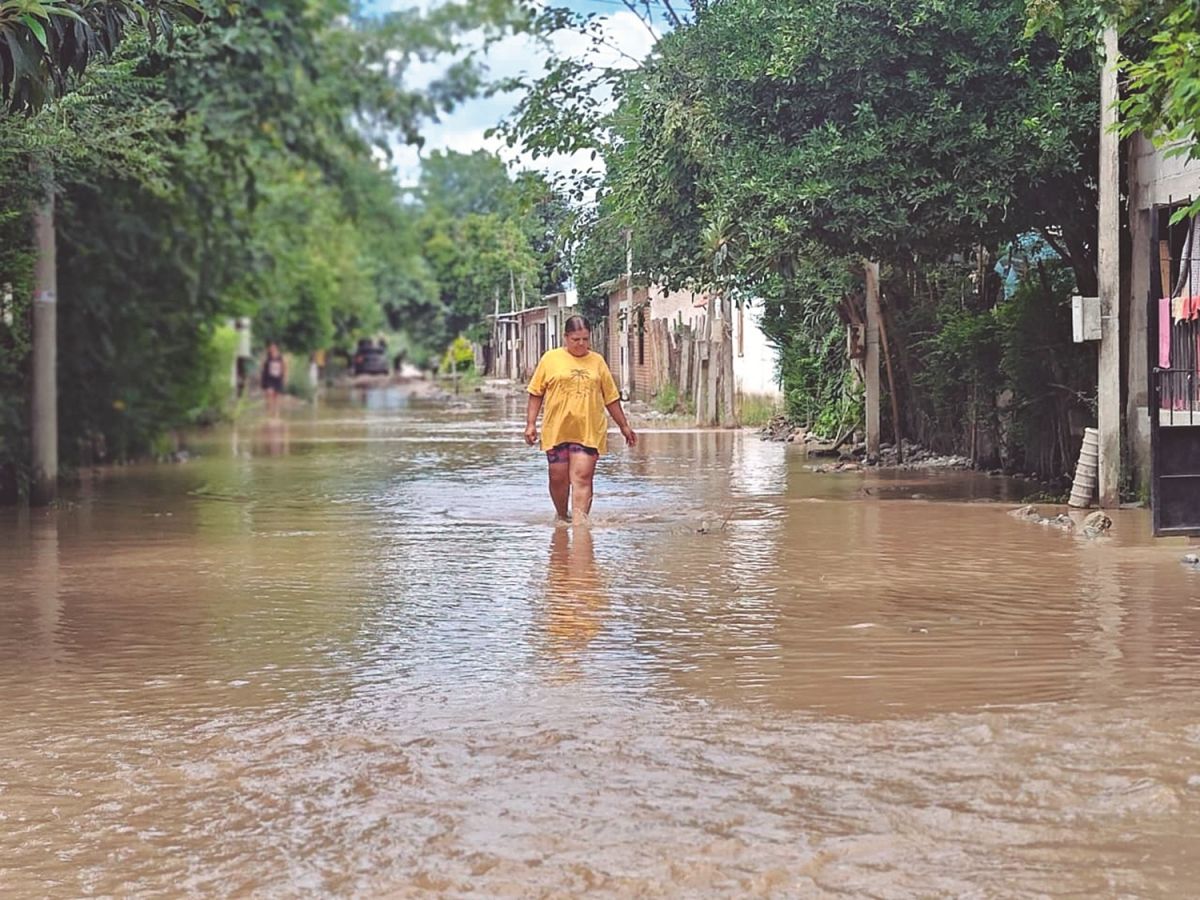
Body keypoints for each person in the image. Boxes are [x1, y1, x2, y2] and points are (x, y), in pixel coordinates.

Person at [525, 315, 637, 524]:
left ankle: (580, 523)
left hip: (589, 429)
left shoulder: (597, 362)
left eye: (585, 339)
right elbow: (536, 393)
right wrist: (530, 424)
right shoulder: (550, 359)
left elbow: (611, 397)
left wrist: (624, 426)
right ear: (566, 337)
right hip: (557, 430)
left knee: (582, 478)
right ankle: (561, 516)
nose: (581, 344)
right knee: (558, 478)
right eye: (576, 339)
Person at [261, 342, 287, 418]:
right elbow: (262, 367)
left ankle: (276, 413)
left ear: (276, 348)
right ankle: (269, 411)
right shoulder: (266, 357)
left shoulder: (281, 357)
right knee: (269, 393)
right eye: (270, 347)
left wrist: (285, 378)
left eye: (273, 347)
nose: (272, 349)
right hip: (269, 378)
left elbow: (285, 367)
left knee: (277, 396)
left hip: (278, 378)